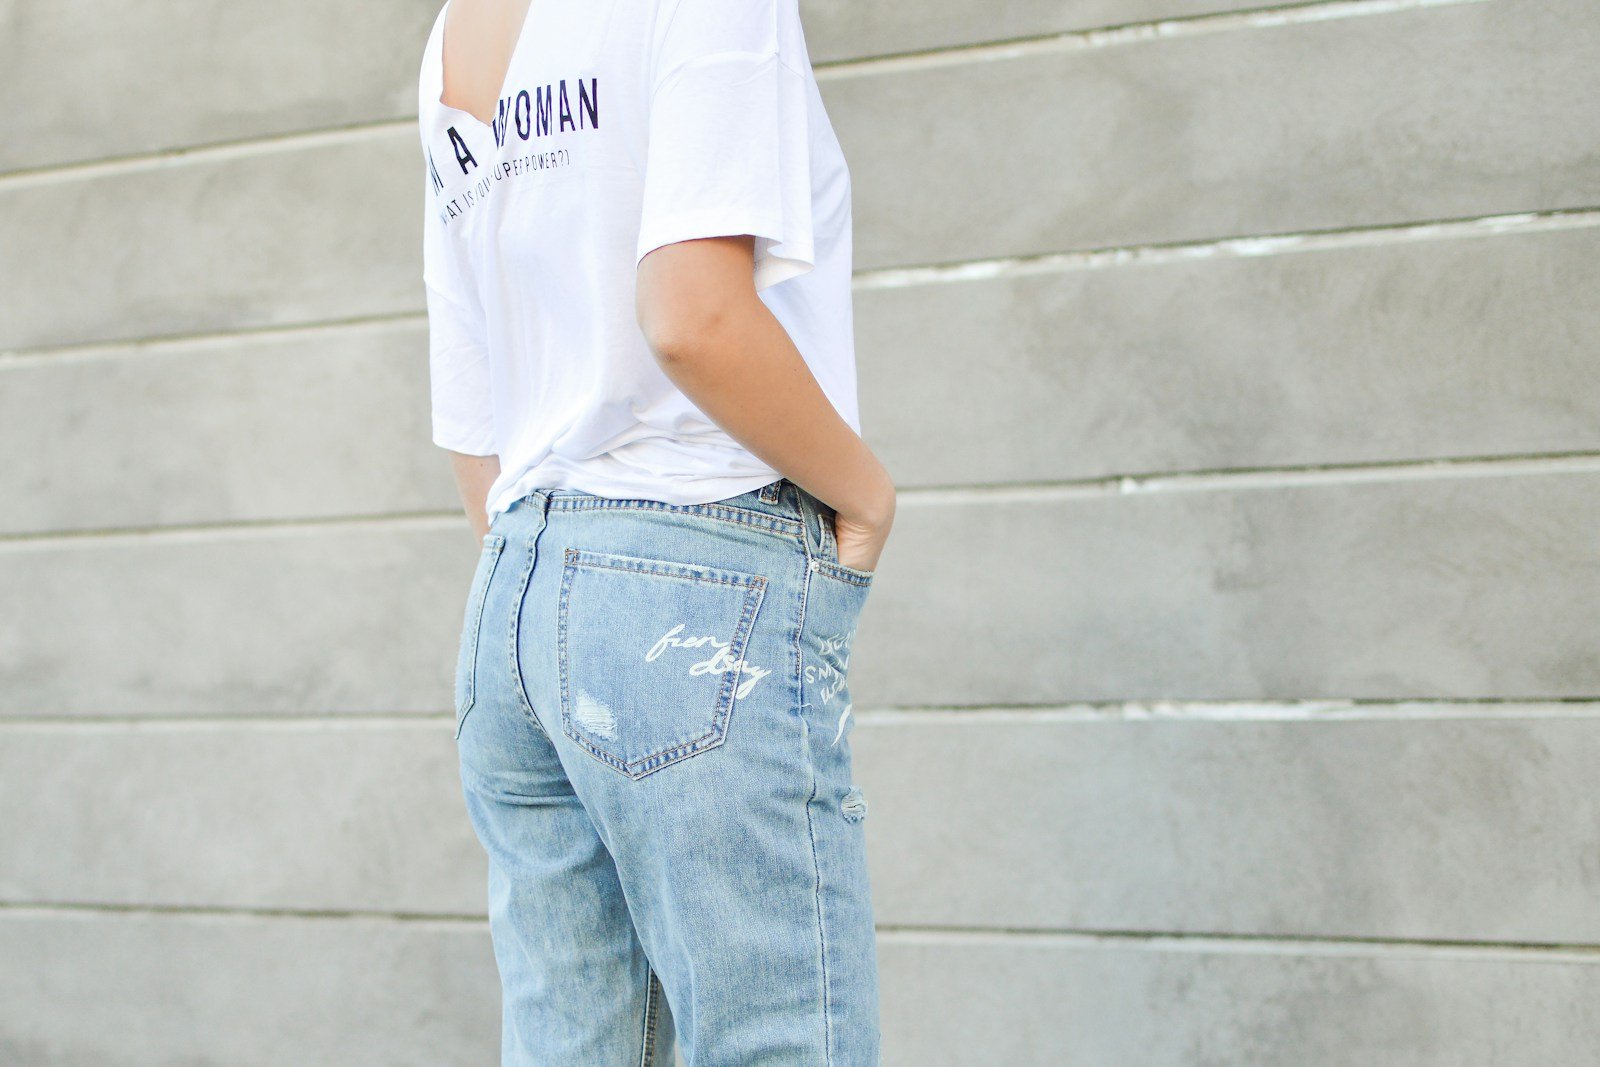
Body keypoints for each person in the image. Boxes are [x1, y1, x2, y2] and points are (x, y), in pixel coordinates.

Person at [417, 0, 894, 1062]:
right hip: (693, 563)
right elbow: (692, 317)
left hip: (515, 594)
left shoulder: (455, 36)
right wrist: (865, 497)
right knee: (779, 1033)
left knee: (574, 1041)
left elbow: (471, 408)